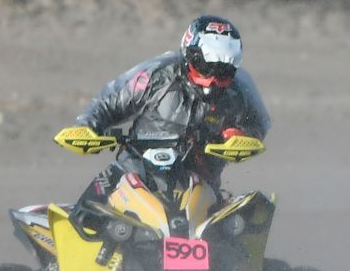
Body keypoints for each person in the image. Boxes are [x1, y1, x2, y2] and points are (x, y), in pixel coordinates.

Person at [66, 15, 270, 212]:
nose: (213, 80)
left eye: (224, 71)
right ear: (191, 54)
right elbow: (110, 101)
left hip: (201, 180)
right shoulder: (158, 74)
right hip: (133, 169)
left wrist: (241, 135)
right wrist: (87, 126)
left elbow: (259, 123)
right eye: (206, 67)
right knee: (86, 212)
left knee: (243, 219)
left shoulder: (240, 89)